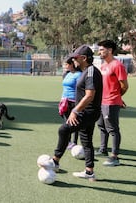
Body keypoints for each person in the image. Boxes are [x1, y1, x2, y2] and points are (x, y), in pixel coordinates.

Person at [40, 45, 102, 180]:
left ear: (84, 58)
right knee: (86, 140)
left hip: (88, 112)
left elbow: (90, 95)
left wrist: (75, 110)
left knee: (64, 129)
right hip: (88, 112)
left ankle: (55, 161)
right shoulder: (86, 71)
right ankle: (89, 171)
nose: (73, 60)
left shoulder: (91, 72)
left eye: (76, 57)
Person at [95, 40, 128, 167]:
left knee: (112, 129)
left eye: (102, 50)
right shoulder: (103, 65)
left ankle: (114, 156)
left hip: (111, 102)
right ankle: (103, 149)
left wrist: (117, 98)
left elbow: (124, 86)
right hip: (102, 101)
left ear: (109, 50)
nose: (99, 52)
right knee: (101, 126)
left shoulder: (117, 65)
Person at [59, 57, 82, 150]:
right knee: (66, 122)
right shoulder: (67, 74)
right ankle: (67, 141)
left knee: (73, 122)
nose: (65, 66)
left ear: (72, 64)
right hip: (65, 101)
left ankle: (74, 142)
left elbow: (80, 89)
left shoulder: (79, 75)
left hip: (73, 102)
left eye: (66, 64)